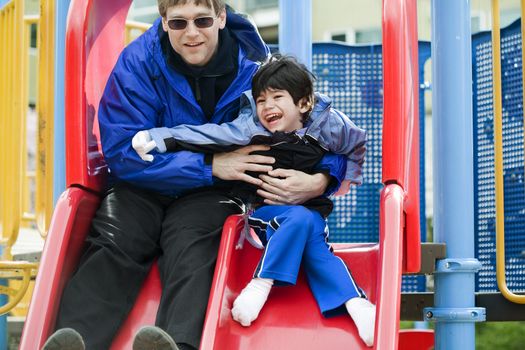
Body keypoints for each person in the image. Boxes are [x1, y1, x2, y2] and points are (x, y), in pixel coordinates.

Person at [43, 1, 347, 350]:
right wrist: (209, 165)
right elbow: (121, 150)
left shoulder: (256, 68)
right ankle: (74, 342)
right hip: (143, 183)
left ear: (220, 17)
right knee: (116, 238)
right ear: (163, 21)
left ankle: (173, 344)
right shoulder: (138, 63)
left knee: (194, 243)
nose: (191, 33)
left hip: (211, 192)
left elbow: (325, 130)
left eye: (202, 20)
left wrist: (323, 180)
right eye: (178, 23)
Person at [132, 55, 375, 347]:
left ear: (304, 104)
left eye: (277, 97)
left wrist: (334, 181)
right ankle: (279, 287)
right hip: (265, 215)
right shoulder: (252, 129)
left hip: (310, 213)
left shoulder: (330, 125)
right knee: (302, 223)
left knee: (312, 237)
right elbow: (209, 135)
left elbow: (356, 145)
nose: (267, 106)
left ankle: (350, 303)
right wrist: (162, 137)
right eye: (261, 100)